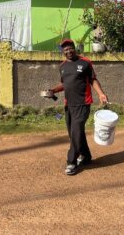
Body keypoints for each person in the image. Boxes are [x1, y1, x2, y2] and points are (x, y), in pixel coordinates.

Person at [49, 39, 108, 175]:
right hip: (69, 105)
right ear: (63, 52)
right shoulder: (62, 66)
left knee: (76, 132)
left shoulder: (85, 62)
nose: (68, 51)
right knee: (75, 134)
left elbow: (93, 79)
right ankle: (86, 156)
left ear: (74, 49)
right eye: (65, 50)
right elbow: (64, 84)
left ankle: (71, 162)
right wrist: (53, 90)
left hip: (83, 104)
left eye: (70, 48)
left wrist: (101, 94)